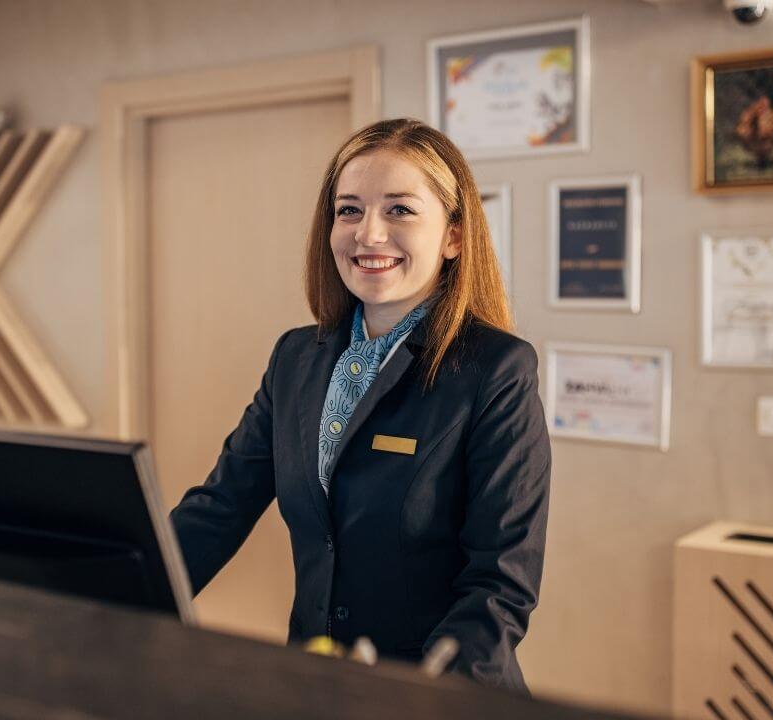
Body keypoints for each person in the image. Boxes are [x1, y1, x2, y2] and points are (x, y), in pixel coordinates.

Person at [169, 118, 551, 692]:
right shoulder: (296, 356)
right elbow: (218, 509)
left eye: (399, 209)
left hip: (440, 696)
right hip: (317, 682)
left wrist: (425, 695)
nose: (368, 234)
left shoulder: (496, 370)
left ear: (453, 236)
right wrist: (112, 595)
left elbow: (499, 585)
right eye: (349, 210)